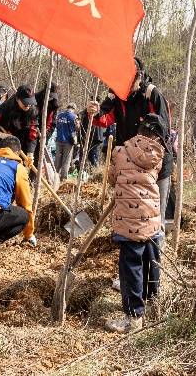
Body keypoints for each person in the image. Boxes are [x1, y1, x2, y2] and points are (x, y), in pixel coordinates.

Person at [104, 112, 167, 334]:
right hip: (151, 218)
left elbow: (112, 179)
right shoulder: (158, 154)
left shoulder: (120, 151)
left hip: (128, 221)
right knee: (152, 262)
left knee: (131, 268)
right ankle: (153, 305)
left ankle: (133, 319)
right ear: (158, 137)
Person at [96, 58, 173, 227]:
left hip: (154, 162)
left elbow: (164, 130)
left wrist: (145, 157)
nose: (126, 86)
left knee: (155, 212)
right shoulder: (115, 94)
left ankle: (157, 248)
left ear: (139, 77)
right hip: (129, 164)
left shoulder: (151, 94)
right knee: (131, 212)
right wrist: (93, 111)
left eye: (130, 81)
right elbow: (103, 118)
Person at [54, 103, 79, 181]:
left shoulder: (59, 115)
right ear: (74, 109)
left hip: (59, 140)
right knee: (66, 160)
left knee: (57, 159)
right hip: (68, 141)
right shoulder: (74, 117)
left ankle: (54, 176)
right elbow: (77, 128)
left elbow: (56, 125)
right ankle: (63, 179)